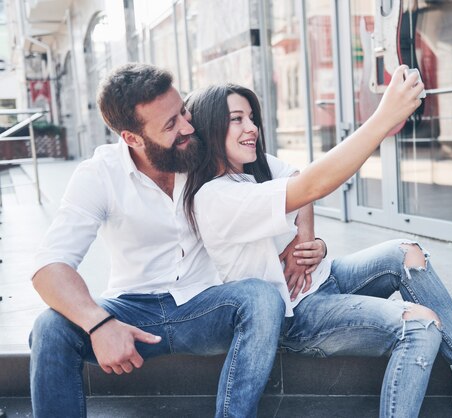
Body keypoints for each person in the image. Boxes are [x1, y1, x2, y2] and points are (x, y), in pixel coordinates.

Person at [183, 73, 452, 418]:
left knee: (407, 253)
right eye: (236, 119)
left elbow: (296, 177)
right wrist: (383, 118)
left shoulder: (251, 166)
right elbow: (312, 185)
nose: (251, 128)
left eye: (251, 117)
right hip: (298, 317)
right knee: (421, 326)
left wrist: (305, 241)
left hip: (324, 281)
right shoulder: (217, 196)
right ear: (210, 128)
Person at [27, 63, 327, 418]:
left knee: (261, 297)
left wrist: (303, 239)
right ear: (131, 138)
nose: (187, 126)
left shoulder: (201, 149)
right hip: (133, 311)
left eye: (183, 110)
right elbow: (49, 266)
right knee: (49, 327)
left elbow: (296, 178)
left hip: (206, 305)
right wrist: (99, 323)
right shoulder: (99, 174)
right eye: (170, 124)